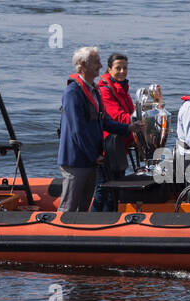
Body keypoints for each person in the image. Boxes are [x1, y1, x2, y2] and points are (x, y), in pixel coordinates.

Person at [57, 47, 138, 212]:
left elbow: (105, 121)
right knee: (69, 208)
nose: (101, 66)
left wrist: (129, 127)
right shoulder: (73, 92)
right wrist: (94, 155)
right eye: (96, 62)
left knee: (84, 207)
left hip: (91, 160)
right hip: (76, 161)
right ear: (83, 65)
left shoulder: (93, 90)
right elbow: (77, 130)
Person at [92, 52, 137, 212]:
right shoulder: (105, 91)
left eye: (125, 68)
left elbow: (130, 112)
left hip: (119, 147)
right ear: (109, 69)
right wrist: (139, 120)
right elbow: (118, 117)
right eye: (118, 68)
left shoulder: (123, 89)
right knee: (103, 191)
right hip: (107, 147)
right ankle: (92, 223)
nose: (122, 71)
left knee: (115, 190)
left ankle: (107, 221)